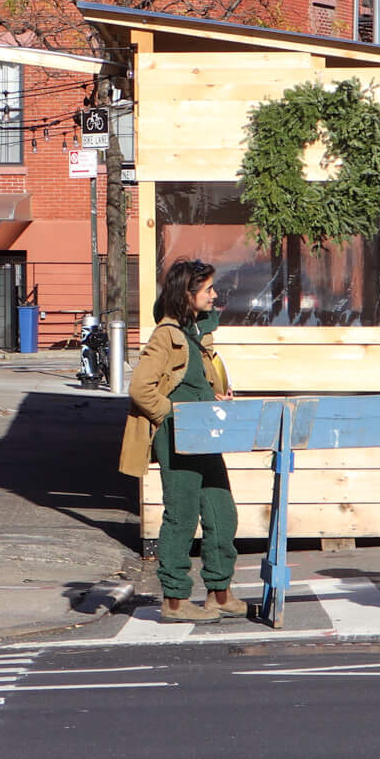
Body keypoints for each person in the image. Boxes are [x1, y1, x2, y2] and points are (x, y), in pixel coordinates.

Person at [119, 258, 237, 623]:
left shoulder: (196, 335)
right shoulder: (166, 335)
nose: (214, 296)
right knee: (182, 515)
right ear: (187, 295)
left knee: (222, 512)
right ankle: (174, 600)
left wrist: (213, 398)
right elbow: (141, 388)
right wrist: (170, 414)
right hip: (177, 436)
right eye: (208, 290)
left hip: (203, 433)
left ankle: (220, 593)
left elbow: (193, 385)